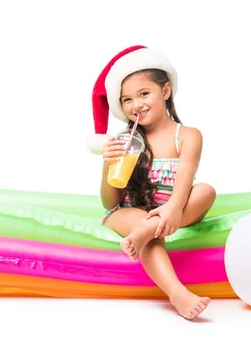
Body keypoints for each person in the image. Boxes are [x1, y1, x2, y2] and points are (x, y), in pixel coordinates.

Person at [86, 45, 217, 320]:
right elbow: (110, 203)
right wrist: (107, 163)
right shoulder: (124, 141)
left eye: (144, 94)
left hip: (174, 210)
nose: (136, 105)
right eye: (127, 100)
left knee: (206, 191)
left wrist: (171, 209)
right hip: (130, 214)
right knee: (147, 229)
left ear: (165, 92)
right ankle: (177, 293)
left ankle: (151, 229)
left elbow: (185, 174)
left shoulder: (188, 135)